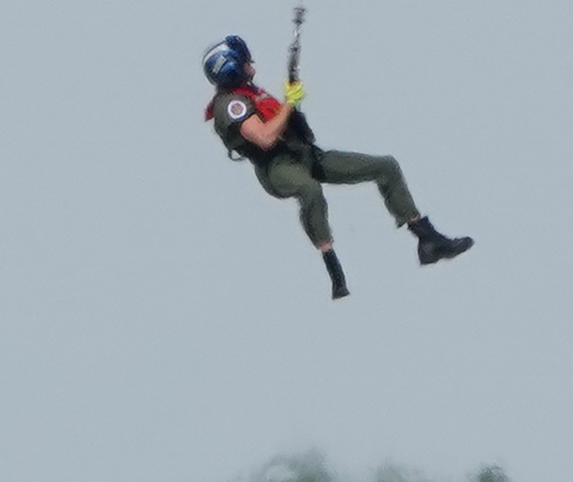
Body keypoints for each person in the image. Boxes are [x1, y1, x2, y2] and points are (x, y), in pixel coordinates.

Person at [200, 36, 473, 300]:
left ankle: (427, 239)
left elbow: (283, 122)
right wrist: (290, 103)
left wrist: (291, 106)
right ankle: (334, 269)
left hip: (306, 155)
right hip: (277, 166)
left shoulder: (251, 93)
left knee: (385, 166)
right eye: (244, 60)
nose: (251, 63)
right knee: (309, 190)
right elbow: (265, 137)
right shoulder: (231, 105)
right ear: (231, 68)